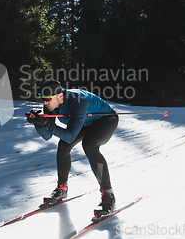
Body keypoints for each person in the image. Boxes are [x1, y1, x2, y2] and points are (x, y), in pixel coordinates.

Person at [26, 80, 119, 216]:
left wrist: (48, 125)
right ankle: (62, 189)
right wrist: (39, 123)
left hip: (105, 120)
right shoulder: (50, 105)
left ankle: (108, 196)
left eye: (47, 99)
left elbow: (69, 136)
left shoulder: (78, 101)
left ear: (60, 96)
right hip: (85, 122)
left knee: (89, 145)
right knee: (63, 146)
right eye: (42, 99)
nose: (44, 103)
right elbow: (47, 136)